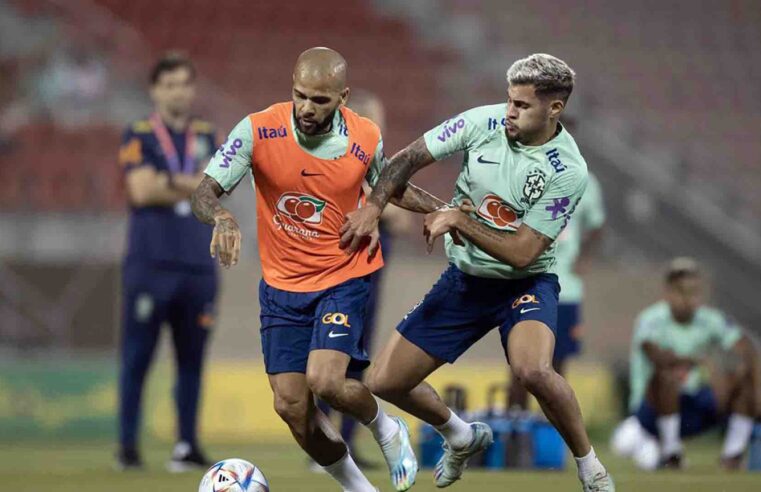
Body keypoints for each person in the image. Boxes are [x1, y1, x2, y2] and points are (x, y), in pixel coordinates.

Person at [340, 53, 615, 491]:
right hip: (465, 281)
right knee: (384, 381)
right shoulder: (480, 123)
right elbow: (405, 161)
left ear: (554, 109)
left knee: (534, 372)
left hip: (524, 285)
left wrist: (458, 219)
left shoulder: (569, 170)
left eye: (522, 106)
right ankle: (460, 435)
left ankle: (590, 466)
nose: (509, 111)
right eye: (509, 100)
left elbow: (523, 253)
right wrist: (373, 209)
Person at [191, 47, 446, 492]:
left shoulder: (365, 135)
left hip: (343, 274)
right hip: (281, 286)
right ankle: (357, 487)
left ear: (342, 98)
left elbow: (390, 185)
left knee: (326, 380)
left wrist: (445, 211)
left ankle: (387, 429)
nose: (307, 108)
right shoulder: (257, 130)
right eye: (300, 95)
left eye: (320, 100)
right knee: (292, 407)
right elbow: (204, 191)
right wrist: (222, 217)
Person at [117, 52, 218, 472]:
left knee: (192, 360)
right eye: (170, 83)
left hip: (198, 265)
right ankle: (127, 447)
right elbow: (141, 192)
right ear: (155, 89)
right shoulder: (137, 134)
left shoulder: (209, 135)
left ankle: (187, 445)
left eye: (184, 83)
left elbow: (216, 190)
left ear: (193, 89)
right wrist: (191, 181)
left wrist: (169, 181)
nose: (178, 91)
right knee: (137, 357)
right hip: (150, 265)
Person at [313, 89, 413, 471]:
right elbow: (353, 211)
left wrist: (377, 209)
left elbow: (399, 219)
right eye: (373, 120)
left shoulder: (380, 168)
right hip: (339, 274)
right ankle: (323, 443)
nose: (379, 128)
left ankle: (351, 443)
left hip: (371, 275)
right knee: (329, 358)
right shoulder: (341, 161)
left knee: (358, 358)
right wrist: (377, 209)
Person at [611, 257, 761, 470]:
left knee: (744, 380)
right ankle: (672, 454)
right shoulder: (651, 319)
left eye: (694, 292)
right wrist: (701, 362)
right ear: (668, 293)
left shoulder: (710, 319)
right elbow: (656, 356)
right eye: (681, 291)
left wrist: (754, 389)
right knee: (667, 377)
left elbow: (748, 348)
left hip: (695, 405)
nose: (688, 299)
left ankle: (732, 456)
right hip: (652, 412)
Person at [509, 116, 606, 409]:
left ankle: (554, 438)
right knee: (520, 368)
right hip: (528, 283)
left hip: (567, 287)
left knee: (559, 366)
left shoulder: (587, 182)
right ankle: (516, 439)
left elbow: (597, 224)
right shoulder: (525, 174)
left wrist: (584, 257)